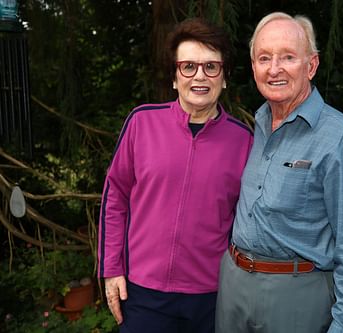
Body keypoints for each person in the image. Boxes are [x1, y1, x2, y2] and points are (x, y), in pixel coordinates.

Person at [215, 12, 343, 333]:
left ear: (311, 65)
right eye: (264, 58)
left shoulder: (341, 140)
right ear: (253, 68)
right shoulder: (257, 126)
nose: (274, 68)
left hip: (297, 295)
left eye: (288, 57)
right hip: (233, 287)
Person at [98, 18, 253, 333]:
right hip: (143, 293)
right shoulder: (141, 123)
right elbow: (115, 197)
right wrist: (112, 268)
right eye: (188, 66)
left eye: (211, 67)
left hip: (211, 298)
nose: (200, 76)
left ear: (224, 79)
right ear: (174, 77)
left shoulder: (244, 141)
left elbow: (247, 221)